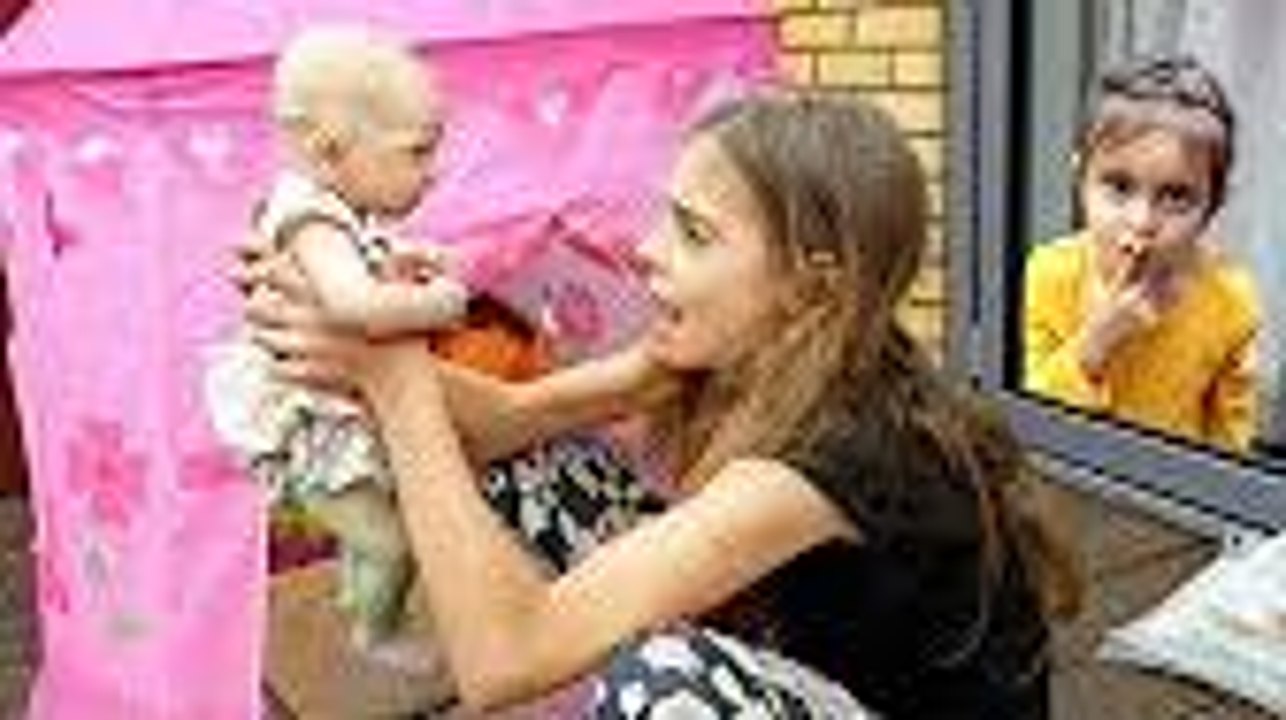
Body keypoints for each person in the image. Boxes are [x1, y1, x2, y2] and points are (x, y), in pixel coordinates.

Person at [241, 90, 1081, 718]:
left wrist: (396, 381)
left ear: (809, 286)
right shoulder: (750, 345)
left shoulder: (844, 452)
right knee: (535, 469)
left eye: (694, 233)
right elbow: (508, 423)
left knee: (663, 681)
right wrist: (355, 343)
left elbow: (502, 660)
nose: (646, 253)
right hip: (815, 671)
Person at [203, 24, 468, 671]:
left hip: (327, 409)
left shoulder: (333, 212)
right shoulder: (313, 221)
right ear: (331, 152)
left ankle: (359, 597)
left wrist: (400, 256)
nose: (434, 172)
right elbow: (354, 306)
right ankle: (374, 634)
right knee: (393, 545)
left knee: (372, 518)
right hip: (303, 426)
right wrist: (439, 304)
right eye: (418, 152)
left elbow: (356, 267)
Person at [1024, 56, 1259, 452]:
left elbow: (1230, 442)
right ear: (1080, 180)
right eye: (1118, 186)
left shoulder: (1231, 299)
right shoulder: (1051, 272)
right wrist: (1100, 337)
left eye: (1175, 197)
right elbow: (1032, 422)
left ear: (1212, 206)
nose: (1141, 222)